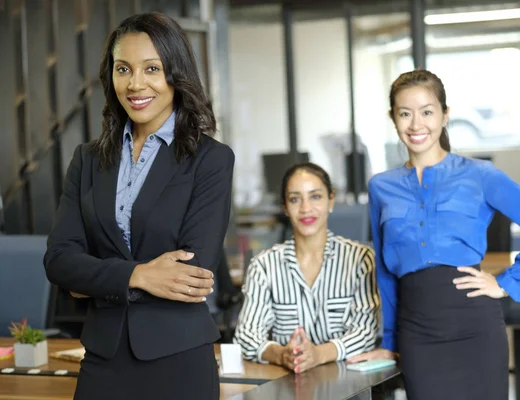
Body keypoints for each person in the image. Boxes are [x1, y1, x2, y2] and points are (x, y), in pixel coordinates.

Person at [43, 12, 234, 400]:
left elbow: (192, 274)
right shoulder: (88, 160)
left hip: (178, 358)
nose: (135, 84)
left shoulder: (209, 159)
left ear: (175, 74)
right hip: (101, 357)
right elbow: (59, 260)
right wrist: (138, 275)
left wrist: (94, 279)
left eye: (152, 68)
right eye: (123, 69)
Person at [348, 69, 520, 399]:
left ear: (445, 115)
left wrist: (507, 282)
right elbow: (385, 274)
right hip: (417, 334)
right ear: (392, 118)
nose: (416, 124)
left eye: (427, 112)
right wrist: (390, 342)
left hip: (475, 328)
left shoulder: (479, 175)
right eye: (405, 113)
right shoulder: (381, 187)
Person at [233, 162, 380, 373]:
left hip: (348, 386)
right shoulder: (264, 265)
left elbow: (365, 333)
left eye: (315, 196)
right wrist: (282, 355)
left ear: (331, 200)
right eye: (295, 199)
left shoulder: (360, 259)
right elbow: (247, 336)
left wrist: (318, 355)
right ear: (285, 207)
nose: (305, 208)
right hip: (287, 386)